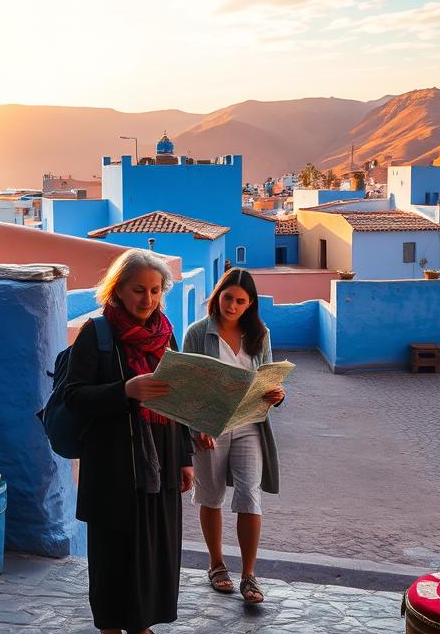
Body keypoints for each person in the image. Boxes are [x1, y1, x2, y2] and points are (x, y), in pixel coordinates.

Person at [64, 248, 194, 634]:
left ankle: (141, 623)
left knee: (154, 549)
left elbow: (178, 399)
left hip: (163, 458)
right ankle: (110, 626)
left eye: (155, 290)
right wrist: (126, 391)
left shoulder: (166, 332)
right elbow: (74, 396)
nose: (148, 299)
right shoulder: (96, 333)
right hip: (113, 465)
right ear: (117, 290)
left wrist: (185, 457)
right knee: (113, 552)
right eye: (139, 290)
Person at [182, 267, 285, 605]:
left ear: (249, 304)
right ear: (218, 296)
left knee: (249, 495)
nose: (232, 306)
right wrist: (198, 426)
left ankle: (249, 575)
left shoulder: (260, 334)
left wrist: (276, 395)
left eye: (240, 301)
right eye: (228, 298)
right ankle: (216, 564)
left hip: (249, 425)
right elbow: (189, 385)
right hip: (210, 428)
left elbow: (267, 380)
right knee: (210, 496)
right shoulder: (198, 333)